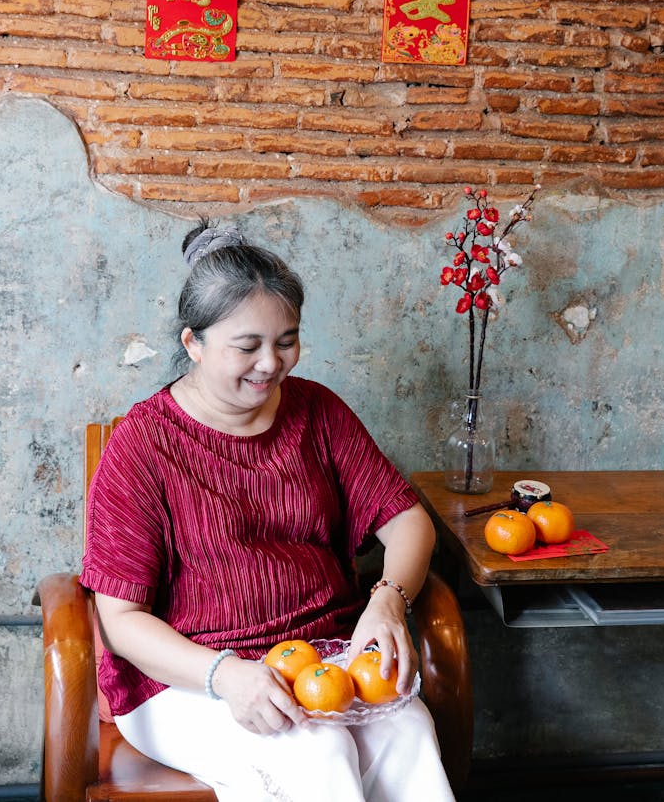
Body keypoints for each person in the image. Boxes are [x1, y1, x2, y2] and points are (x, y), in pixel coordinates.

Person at [80, 221, 456, 802]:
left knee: (409, 733)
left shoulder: (318, 412)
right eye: (247, 345)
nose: (270, 363)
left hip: (323, 657)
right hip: (185, 680)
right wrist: (224, 675)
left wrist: (387, 600)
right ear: (193, 343)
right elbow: (121, 619)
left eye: (286, 340)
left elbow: (407, 520)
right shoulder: (143, 444)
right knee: (313, 750)